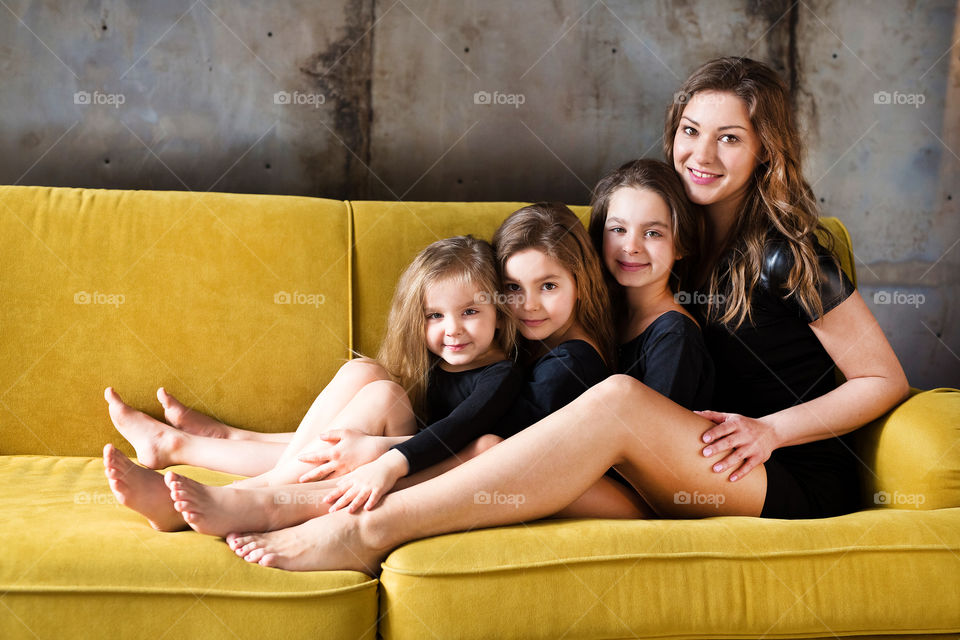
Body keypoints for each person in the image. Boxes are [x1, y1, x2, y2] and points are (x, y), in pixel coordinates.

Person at [224, 56, 909, 574]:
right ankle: (281, 493)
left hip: (775, 479)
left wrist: (769, 431)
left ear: (766, 151)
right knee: (392, 389)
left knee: (615, 400)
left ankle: (368, 532)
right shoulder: (667, 249)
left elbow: (883, 380)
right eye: (691, 132)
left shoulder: (790, 256)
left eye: (730, 139)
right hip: (676, 459)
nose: (702, 155)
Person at [162, 202, 641, 530]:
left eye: (549, 286)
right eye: (514, 288)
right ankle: (198, 447)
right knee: (364, 374)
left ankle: (255, 495)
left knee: (378, 401)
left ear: (581, 279)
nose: (529, 305)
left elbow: (490, 444)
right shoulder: (528, 346)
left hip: (487, 465)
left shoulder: (563, 364)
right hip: (445, 447)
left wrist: (382, 451)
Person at [103, 235, 523, 530]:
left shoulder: (502, 375)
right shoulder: (435, 364)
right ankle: (181, 445)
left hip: (431, 468)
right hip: (402, 449)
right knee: (366, 373)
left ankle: (241, 494)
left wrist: (378, 452)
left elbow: (457, 436)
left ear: (500, 313)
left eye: (470, 312)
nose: (453, 330)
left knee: (383, 394)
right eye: (435, 316)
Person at [589, 158, 714, 410]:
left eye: (652, 233)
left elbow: (650, 443)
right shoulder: (603, 314)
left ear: (680, 246)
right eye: (618, 229)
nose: (631, 247)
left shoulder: (674, 335)